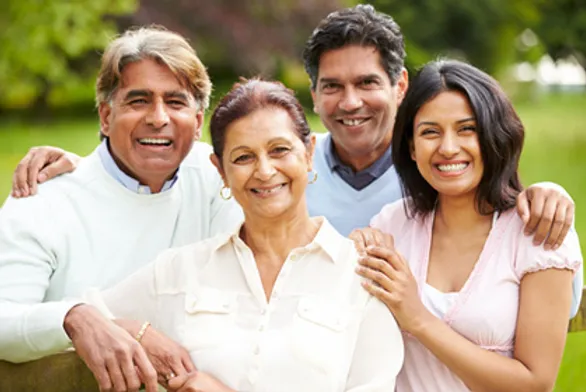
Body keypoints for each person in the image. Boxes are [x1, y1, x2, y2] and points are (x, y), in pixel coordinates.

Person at [10, 4, 583, 315]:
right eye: (332, 86)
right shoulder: (273, 174)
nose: (350, 101)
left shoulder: (441, 174)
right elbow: (174, 151)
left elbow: (518, 264)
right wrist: (88, 165)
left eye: (367, 83)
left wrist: (542, 191)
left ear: (401, 84)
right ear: (314, 97)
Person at [75, 79, 404, 392]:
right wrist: (136, 330)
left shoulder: (363, 279)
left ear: (308, 153)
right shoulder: (180, 271)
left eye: (279, 150)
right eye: (243, 157)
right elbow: (81, 316)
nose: (264, 171)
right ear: (221, 170)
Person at [0, 26, 242, 391]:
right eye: (138, 101)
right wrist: (77, 317)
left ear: (196, 123)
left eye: (175, 102)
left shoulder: (218, 179)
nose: (158, 118)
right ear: (105, 116)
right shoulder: (43, 199)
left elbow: (295, 148)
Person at [353, 59, 582, 391]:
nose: (448, 148)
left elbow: (536, 384)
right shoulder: (392, 223)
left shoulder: (538, 232)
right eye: (430, 132)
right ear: (412, 148)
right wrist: (351, 249)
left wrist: (417, 318)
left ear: (495, 137)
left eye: (467, 129)